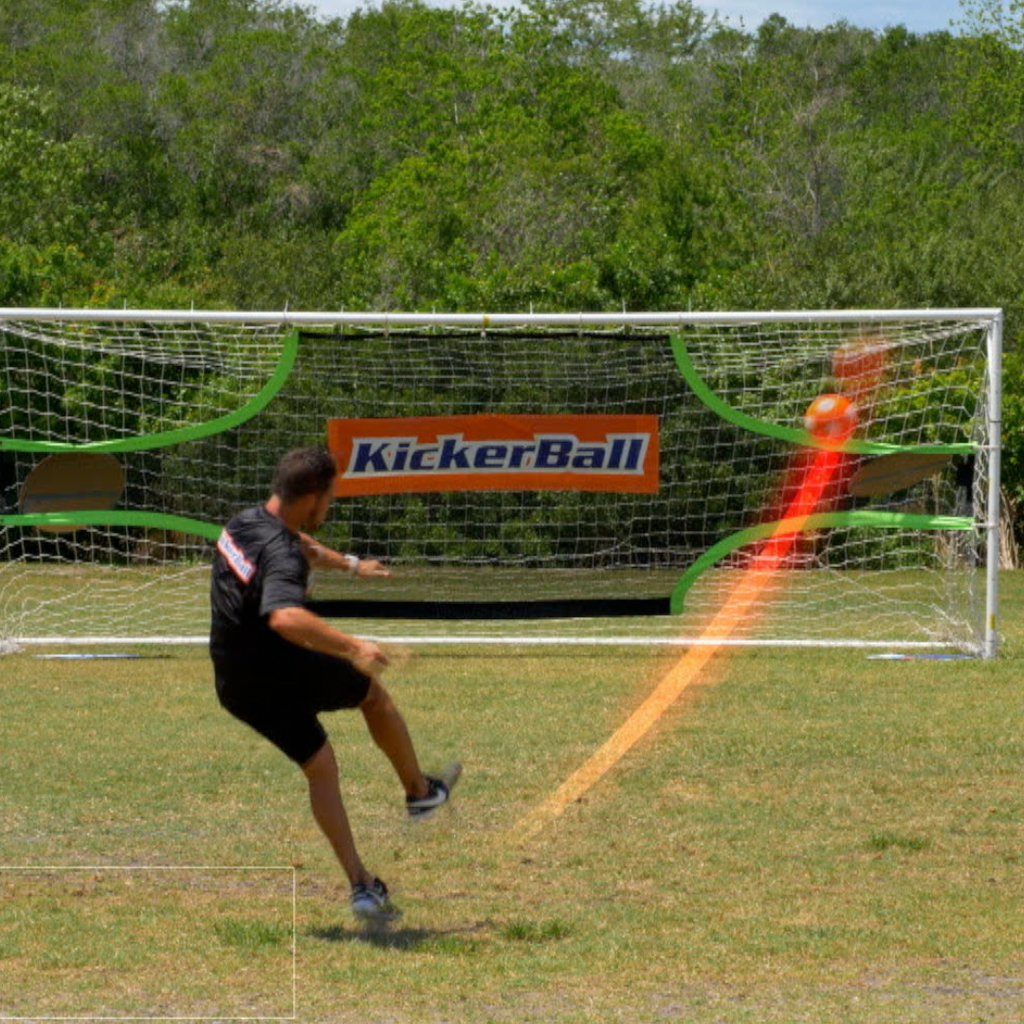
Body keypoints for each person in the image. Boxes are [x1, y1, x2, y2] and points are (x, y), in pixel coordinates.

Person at [209, 446, 459, 922]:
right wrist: (352, 647)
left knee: (321, 767)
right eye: (330, 499)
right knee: (372, 694)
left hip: (236, 684)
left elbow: (301, 544)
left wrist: (349, 565)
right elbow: (284, 616)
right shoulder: (281, 553)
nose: (330, 507)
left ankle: (363, 886)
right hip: (281, 671)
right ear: (313, 497)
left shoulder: (245, 523)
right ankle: (419, 791)